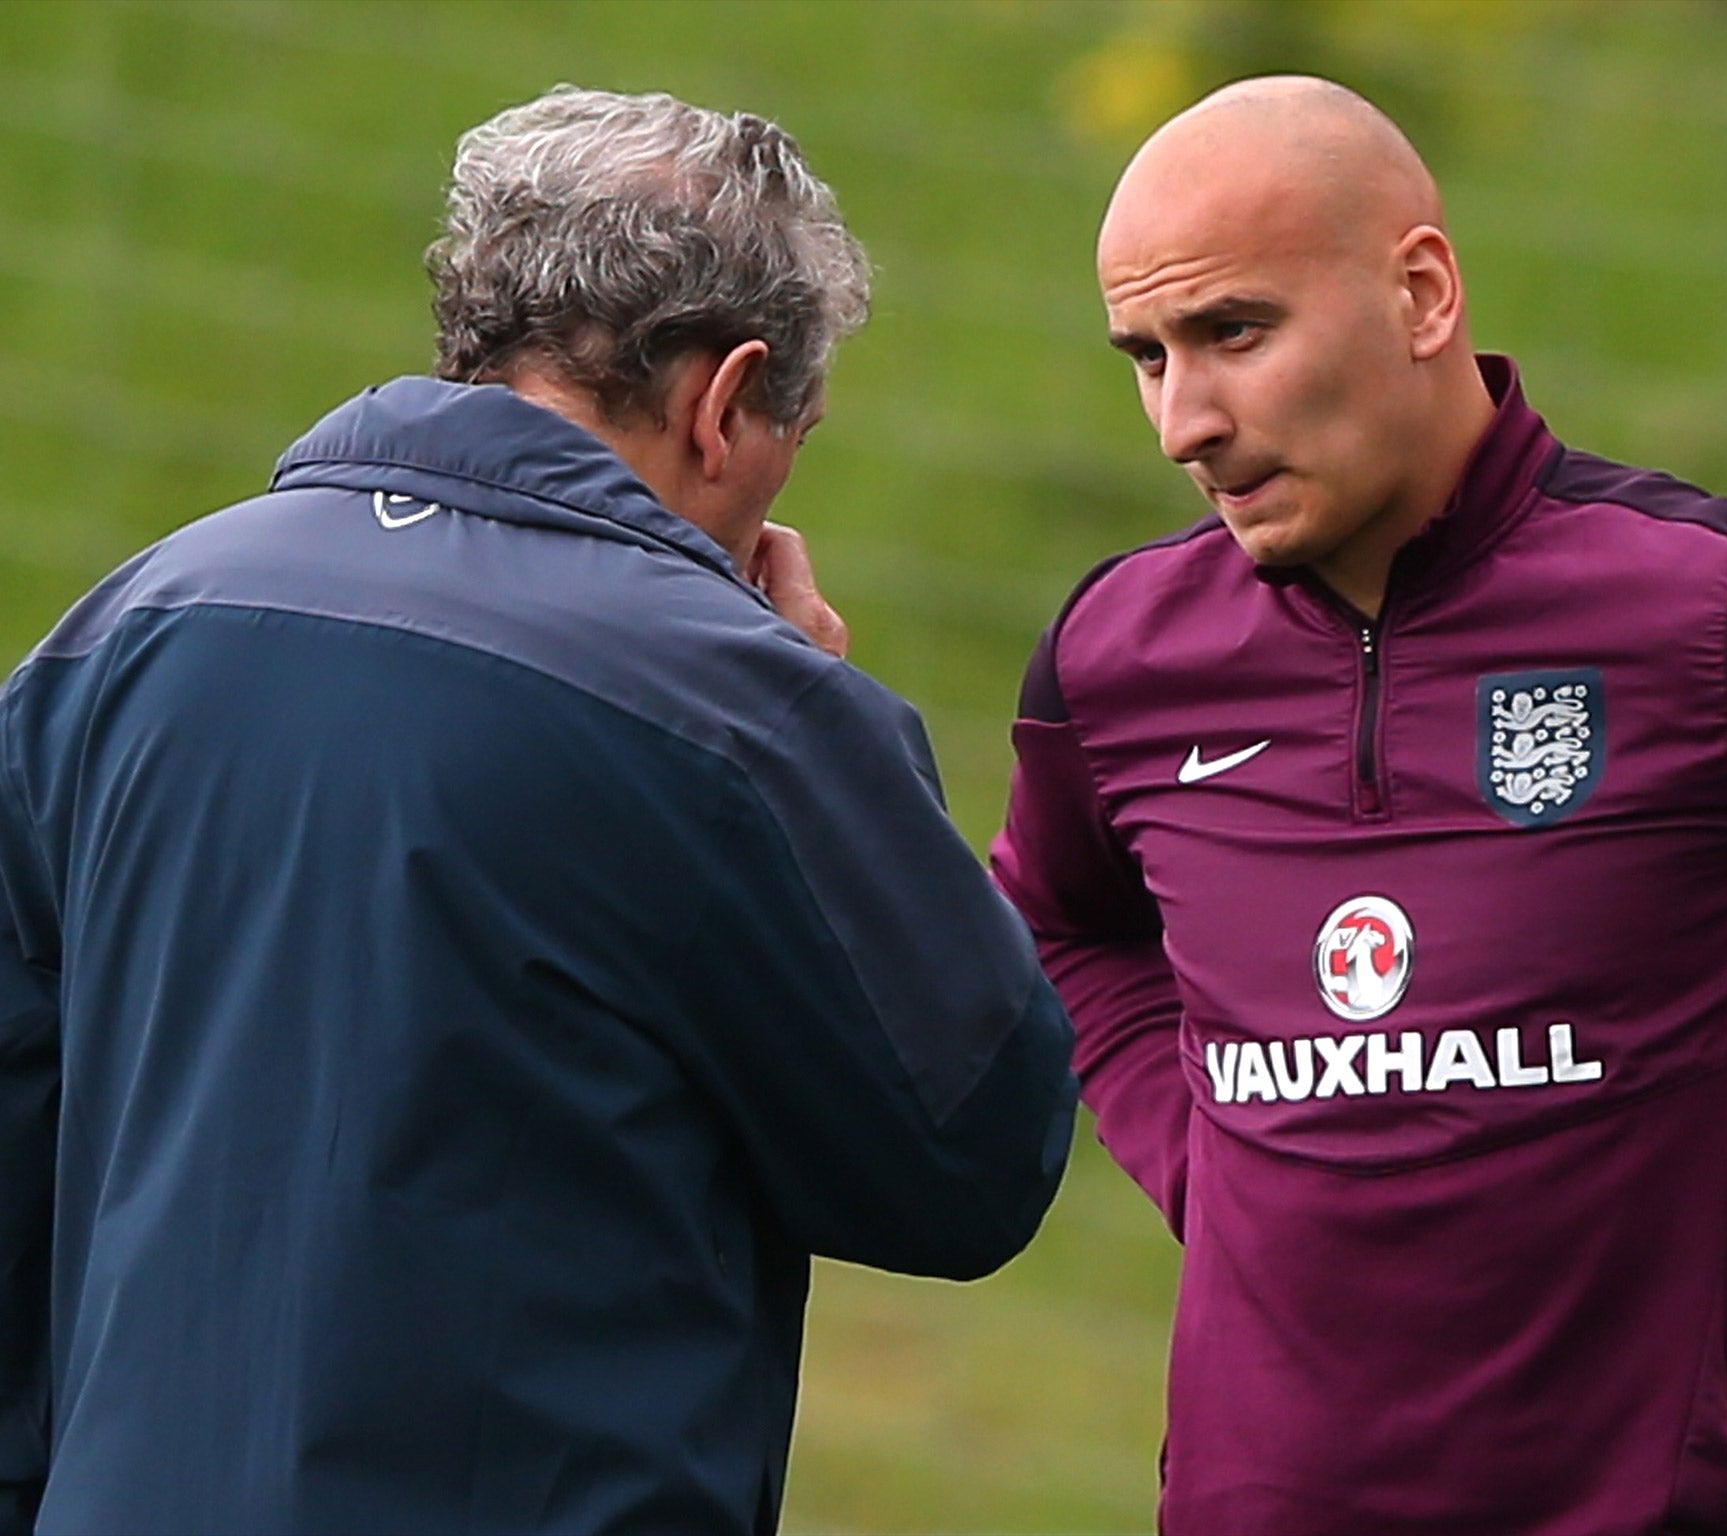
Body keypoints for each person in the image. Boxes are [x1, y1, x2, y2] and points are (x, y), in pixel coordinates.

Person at [0, 86, 1076, 1535]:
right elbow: (970, 1165)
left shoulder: (121, 630)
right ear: (724, 396)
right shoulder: (740, 712)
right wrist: (830, 751)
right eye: (792, 433)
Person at [991, 73, 1727, 1535]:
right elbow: (1056, 922)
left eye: (1235, 332)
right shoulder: (1121, 660)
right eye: (1148, 356)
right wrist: (1209, 1166)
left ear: (1422, 294)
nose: (1187, 423)